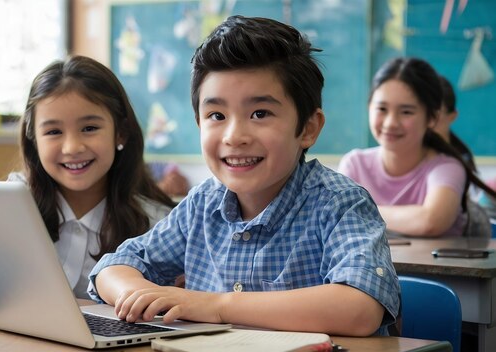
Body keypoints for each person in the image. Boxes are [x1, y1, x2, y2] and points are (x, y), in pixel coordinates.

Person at [88, 16, 399, 337]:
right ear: (199, 123)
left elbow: (361, 307)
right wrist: (136, 293)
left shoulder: (339, 202)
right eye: (217, 116)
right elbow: (114, 266)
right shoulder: (203, 203)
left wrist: (216, 306)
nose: (234, 136)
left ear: (308, 128)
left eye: (260, 114)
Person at [0, 55, 176, 308]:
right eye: (53, 132)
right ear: (33, 139)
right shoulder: (10, 202)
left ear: (120, 132)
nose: (72, 147)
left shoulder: (158, 223)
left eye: (89, 128)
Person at [338, 57, 496, 237]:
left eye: (406, 112)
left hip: (436, 266)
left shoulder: (447, 167)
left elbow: (431, 221)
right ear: (369, 107)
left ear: (431, 118)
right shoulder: (354, 164)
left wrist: (359, 209)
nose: (390, 123)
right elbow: (340, 221)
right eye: (382, 109)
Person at [432, 75, 477, 173]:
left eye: (435, 116)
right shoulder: (410, 155)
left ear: (452, 116)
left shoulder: (461, 161)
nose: (428, 123)